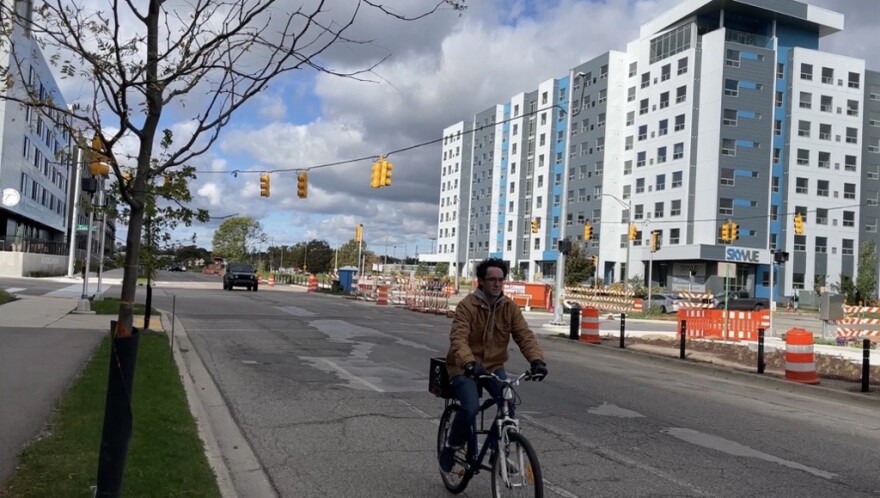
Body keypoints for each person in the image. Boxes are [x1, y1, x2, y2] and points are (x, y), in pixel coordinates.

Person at [439, 258, 548, 473]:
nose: (497, 284)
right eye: (492, 280)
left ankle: (498, 454)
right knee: (470, 407)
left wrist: (537, 360)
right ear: (481, 281)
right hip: (463, 366)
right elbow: (458, 338)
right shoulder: (467, 306)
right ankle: (451, 447)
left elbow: (524, 335)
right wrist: (469, 363)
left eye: (501, 280)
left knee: (508, 404)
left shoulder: (509, 307)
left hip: (492, 367)